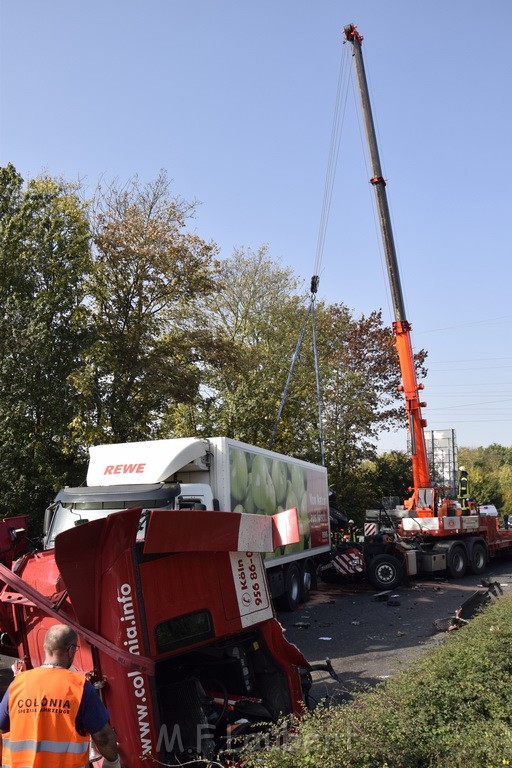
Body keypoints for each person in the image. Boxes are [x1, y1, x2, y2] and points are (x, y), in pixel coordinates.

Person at [0, 624, 121, 768]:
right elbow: (103, 737)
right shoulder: (79, 686)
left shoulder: (17, 684)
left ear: (45, 647)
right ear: (70, 650)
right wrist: (113, 762)